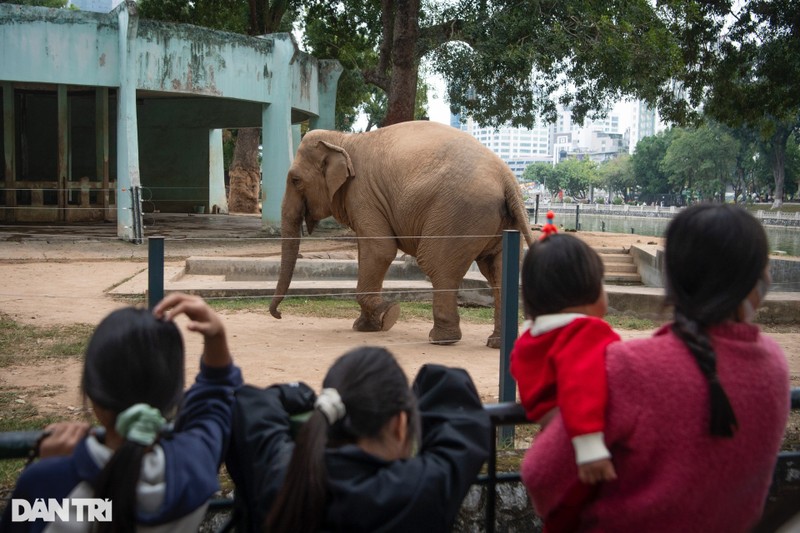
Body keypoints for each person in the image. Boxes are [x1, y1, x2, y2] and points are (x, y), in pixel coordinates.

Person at [522, 203, 791, 532]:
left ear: (671, 280)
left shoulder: (629, 366)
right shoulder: (774, 366)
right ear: (758, 281)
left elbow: (540, 475)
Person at [1, 293, 243, 532]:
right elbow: (216, 396)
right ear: (173, 396)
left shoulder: (47, 484)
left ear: (92, 393)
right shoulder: (194, 464)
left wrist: (57, 468)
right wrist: (216, 336)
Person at [225, 346, 492, 533]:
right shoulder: (419, 492)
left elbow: (251, 403)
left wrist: (303, 395)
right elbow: (454, 397)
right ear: (400, 425)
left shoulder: (282, 478)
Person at [510, 230, 620, 532]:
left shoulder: (530, 341)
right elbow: (581, 386)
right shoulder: (585, 334)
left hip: (546, 447)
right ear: (588, 292)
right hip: (581, 458)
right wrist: (590, 447)